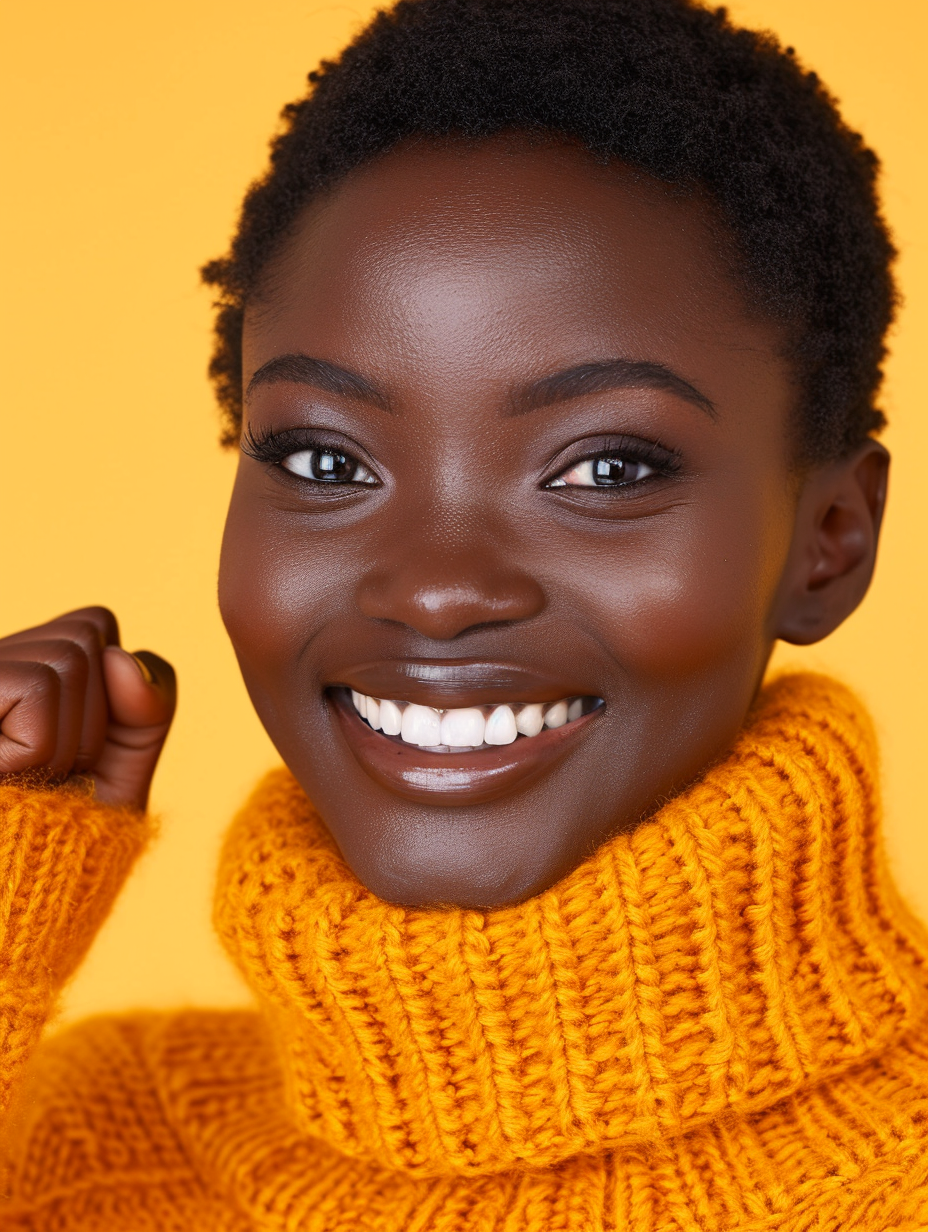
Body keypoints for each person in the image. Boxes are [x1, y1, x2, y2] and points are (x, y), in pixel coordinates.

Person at [1, 0, 926, 1226]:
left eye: (604, 467)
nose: (436, 587)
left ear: (828, 542)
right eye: (327, 461)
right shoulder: (77, 1146)